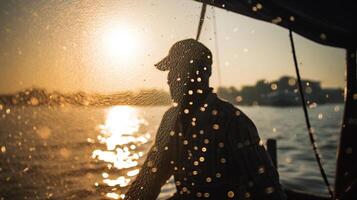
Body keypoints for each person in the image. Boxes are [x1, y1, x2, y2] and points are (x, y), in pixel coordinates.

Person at [124, 39, 286, 199]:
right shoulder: (170, 119)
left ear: (201, 73)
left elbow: (269, 191)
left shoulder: (233, 121)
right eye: (170, 71)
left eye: (177, 69)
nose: (169, 79)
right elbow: (149, 179)